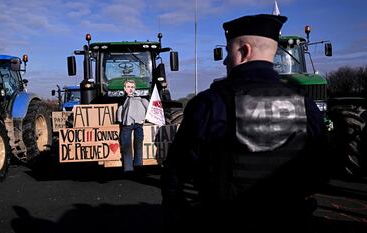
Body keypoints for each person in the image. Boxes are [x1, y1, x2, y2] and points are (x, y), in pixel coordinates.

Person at [161, 14, 331, 232]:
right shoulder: (305, 104)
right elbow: (321, 171)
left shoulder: (208, 104)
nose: (225, 60)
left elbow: (176, 176)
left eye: (228, 52)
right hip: (290, 222)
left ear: (244, 51)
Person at [117, 80, 149, 172]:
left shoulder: (141, 98)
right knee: (126, 144)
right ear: (124, 88)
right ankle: (128, 168)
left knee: (138, 144)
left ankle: (138, 165)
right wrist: (119, 119)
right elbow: (120, 109)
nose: (130, 89)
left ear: (135, 88)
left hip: (139, 122)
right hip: (127, 123)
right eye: (128, 87)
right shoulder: (123, 99)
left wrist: (147, 117)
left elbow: (147, 106)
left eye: (132, 87)